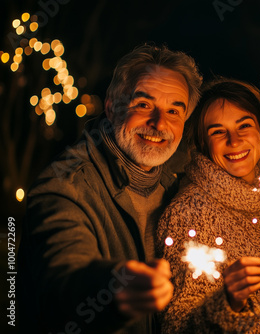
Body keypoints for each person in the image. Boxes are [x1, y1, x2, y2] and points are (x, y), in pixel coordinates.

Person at [18, 44, 203, 333]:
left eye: (174, 110)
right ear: (111, 106)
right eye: (143, 105)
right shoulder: (63, 186)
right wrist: (111, 291)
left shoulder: (179, 187)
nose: (159, 123)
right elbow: (63, 276)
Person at [155, 78, 260, 333]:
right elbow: (177, 325)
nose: (234, 140)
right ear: (202, 144)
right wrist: (228, 302)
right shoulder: (190, 212)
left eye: (244, 126)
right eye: (218, 131)